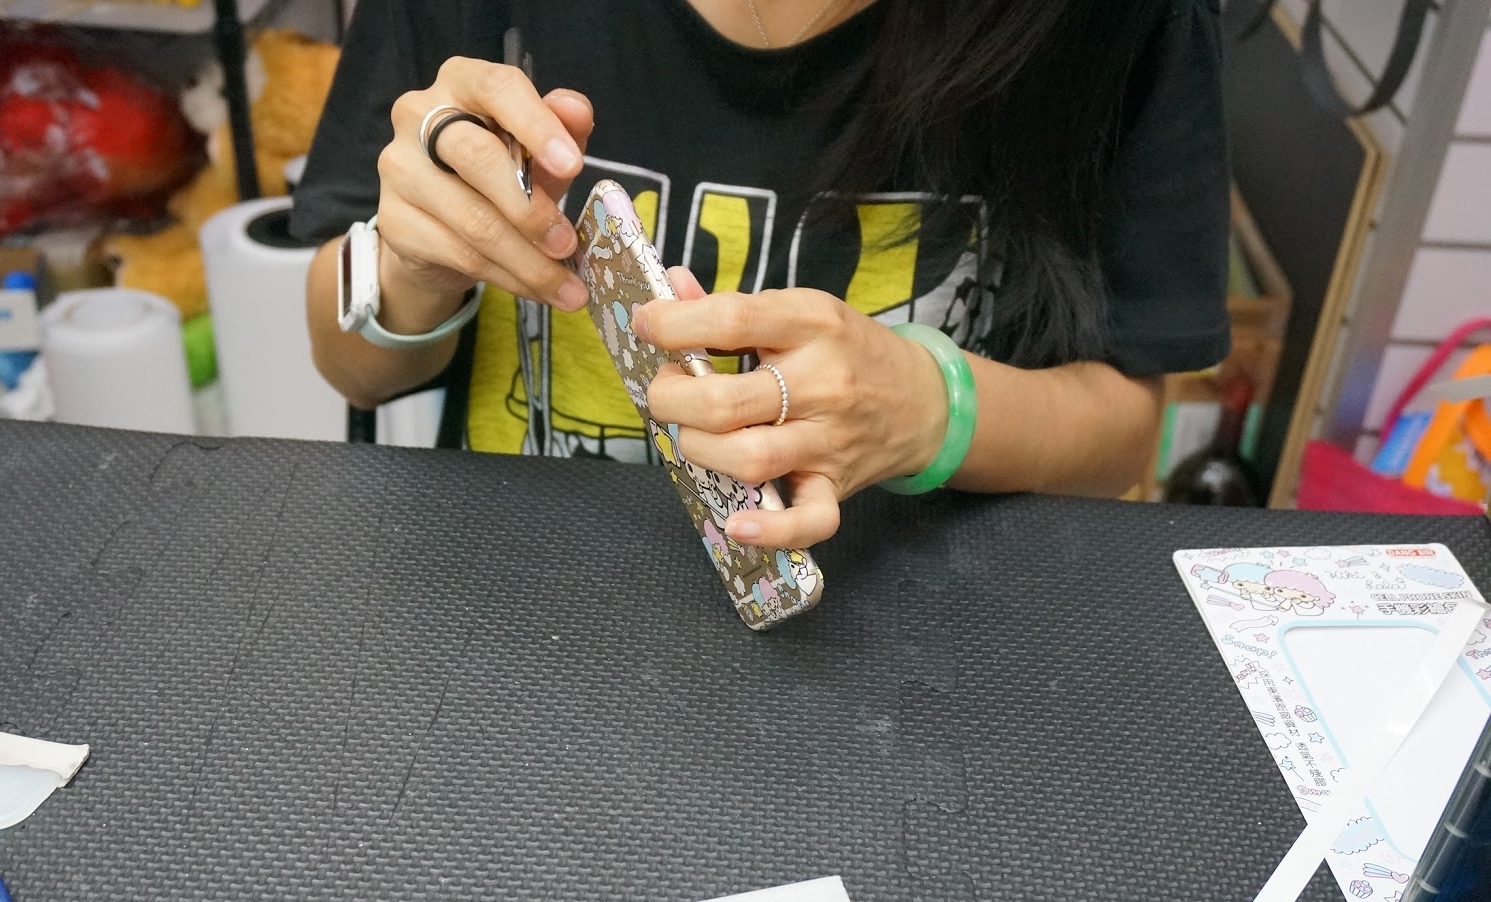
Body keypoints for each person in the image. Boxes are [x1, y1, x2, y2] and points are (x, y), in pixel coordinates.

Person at [292, 0, 1230, 549]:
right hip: (514, 616)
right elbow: (351, 366)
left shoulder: (1117, 24)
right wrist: (413, 263)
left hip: (909, 651)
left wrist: (930, 407)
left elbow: (1123, 435)